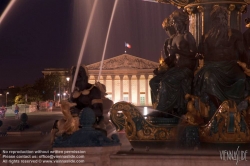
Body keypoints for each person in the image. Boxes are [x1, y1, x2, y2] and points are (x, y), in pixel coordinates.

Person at [194, 6, 249, 117]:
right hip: (213, 67)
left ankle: (236, 107)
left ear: (226, 19)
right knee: (209, 78)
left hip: (231, 66)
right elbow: (202, 53)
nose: (220, 20)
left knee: (241, 79)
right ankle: (222, 109)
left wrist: (246, 65)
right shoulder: (207, 36)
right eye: (217, 18)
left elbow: (243, 52)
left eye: (222, 17)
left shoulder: (235, 34)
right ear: (214, 20)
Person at [156, 10, 197, 116]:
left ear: (184, 22)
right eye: (174, 23)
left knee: (166, 81)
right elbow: (171, 58)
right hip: (176, 68)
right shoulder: (173, 38)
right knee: (154, 81)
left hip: (186, 69)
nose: (175, 25)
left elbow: (194, 54)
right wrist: (161, 68)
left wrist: (179, 51)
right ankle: (160, 105)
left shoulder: (187, 36)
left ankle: (163, 109)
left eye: (177, 23)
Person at [149, 16, 176, 107]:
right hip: (171, 67)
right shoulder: (167, 42)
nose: (167, 31)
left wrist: (164, 67)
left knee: (163, 82)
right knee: (153, 82)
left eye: (168, 28)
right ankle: (156, 104)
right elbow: (168, 58)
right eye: (166, 29)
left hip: (177, 67)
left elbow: (173, 57)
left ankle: (163, 106)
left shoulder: (181, 38)